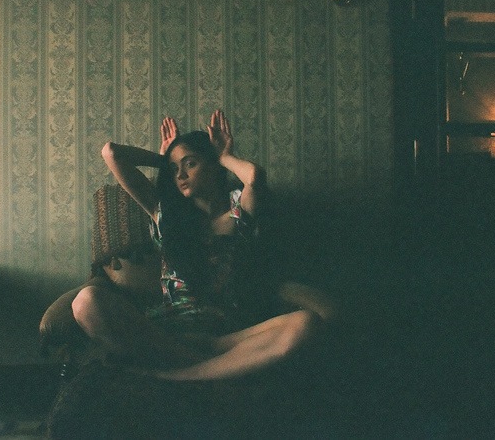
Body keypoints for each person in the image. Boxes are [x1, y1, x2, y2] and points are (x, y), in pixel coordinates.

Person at [83, 109, 333, 381]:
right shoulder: (165, 216)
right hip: (168, 332)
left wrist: (224, 156)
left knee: (305, 323)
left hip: (226, 336)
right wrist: (165, 160)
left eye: (190, 164)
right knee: (86, 302)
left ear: (213, 165)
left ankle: (180, 375)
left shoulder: (239, 214)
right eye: (174, 169)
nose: (180, 174)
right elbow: (112, 154)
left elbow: (254, 177)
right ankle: (209, 369)